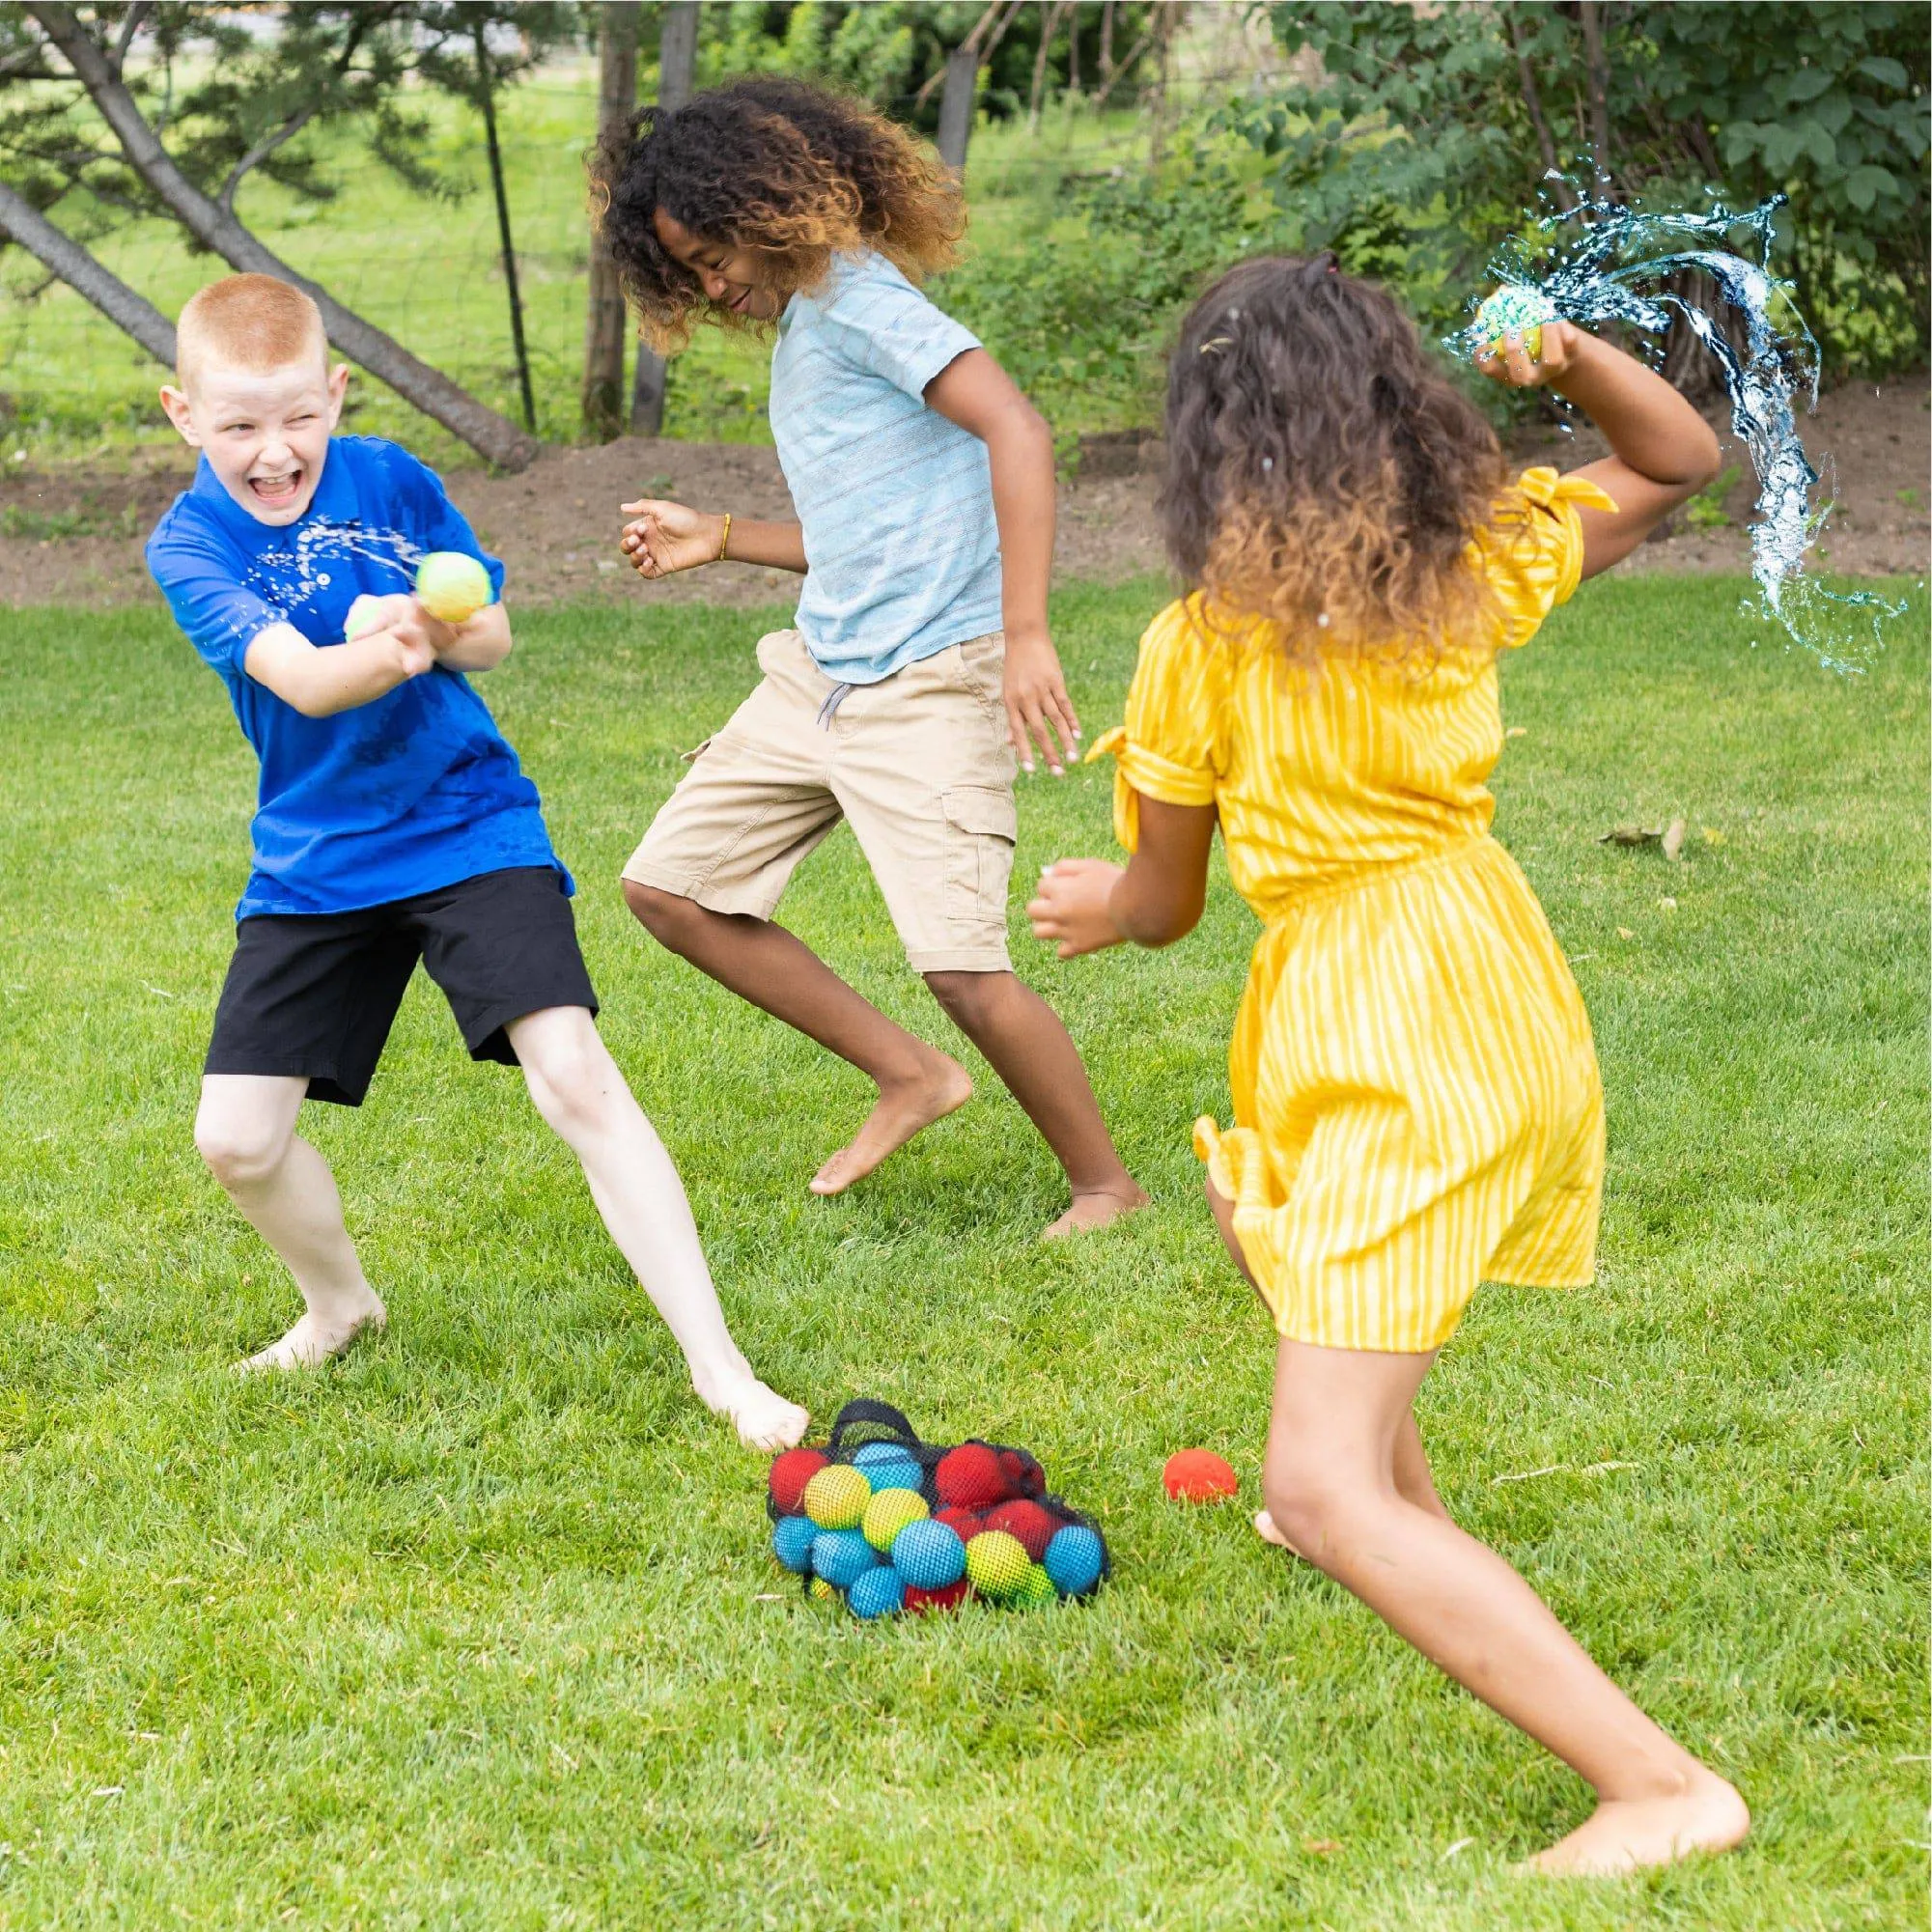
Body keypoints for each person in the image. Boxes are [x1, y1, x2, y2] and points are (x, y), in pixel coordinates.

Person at [1027, 256, 1750, 1873]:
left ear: (1205, 442)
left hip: (1386, 1025)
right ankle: (1380, 1516)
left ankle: (1661, 1788)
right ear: (1397, 411)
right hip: (1484, 977)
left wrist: (1096, 899)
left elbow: (1162, 903)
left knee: (1320, 1473)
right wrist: (1566, 361)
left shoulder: (1196, 647)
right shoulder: (1464, 563)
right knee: (1267, 1220)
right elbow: (1679, 464)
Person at [146, 272, 807, 1450]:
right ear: (184, 416)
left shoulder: (393, 478)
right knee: (235, 1141)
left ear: (335, 394)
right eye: (239, 424)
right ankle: (340, 1306)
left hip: (467, 823)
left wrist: (426, 623)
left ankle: (724, 1373)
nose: (273, 449)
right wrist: (401, 639)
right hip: (316, 859)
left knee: (574, 1076)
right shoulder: (191, 540)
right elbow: (299, 677)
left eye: (298, 415)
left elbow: (491, 631)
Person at [589, 77, 1145, 1239]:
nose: (710, 282)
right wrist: (725, 538)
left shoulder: (860, 302)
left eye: (711, 252)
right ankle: (911, 1075)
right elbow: (866, 529)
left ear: (766, 199)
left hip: (933, 676)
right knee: (670, 886)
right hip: (823, 673)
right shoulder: (811, 323)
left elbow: (1018, 428)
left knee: (962, 967)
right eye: (685, 271)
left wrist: (1027, 632)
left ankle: (1107, 1185)